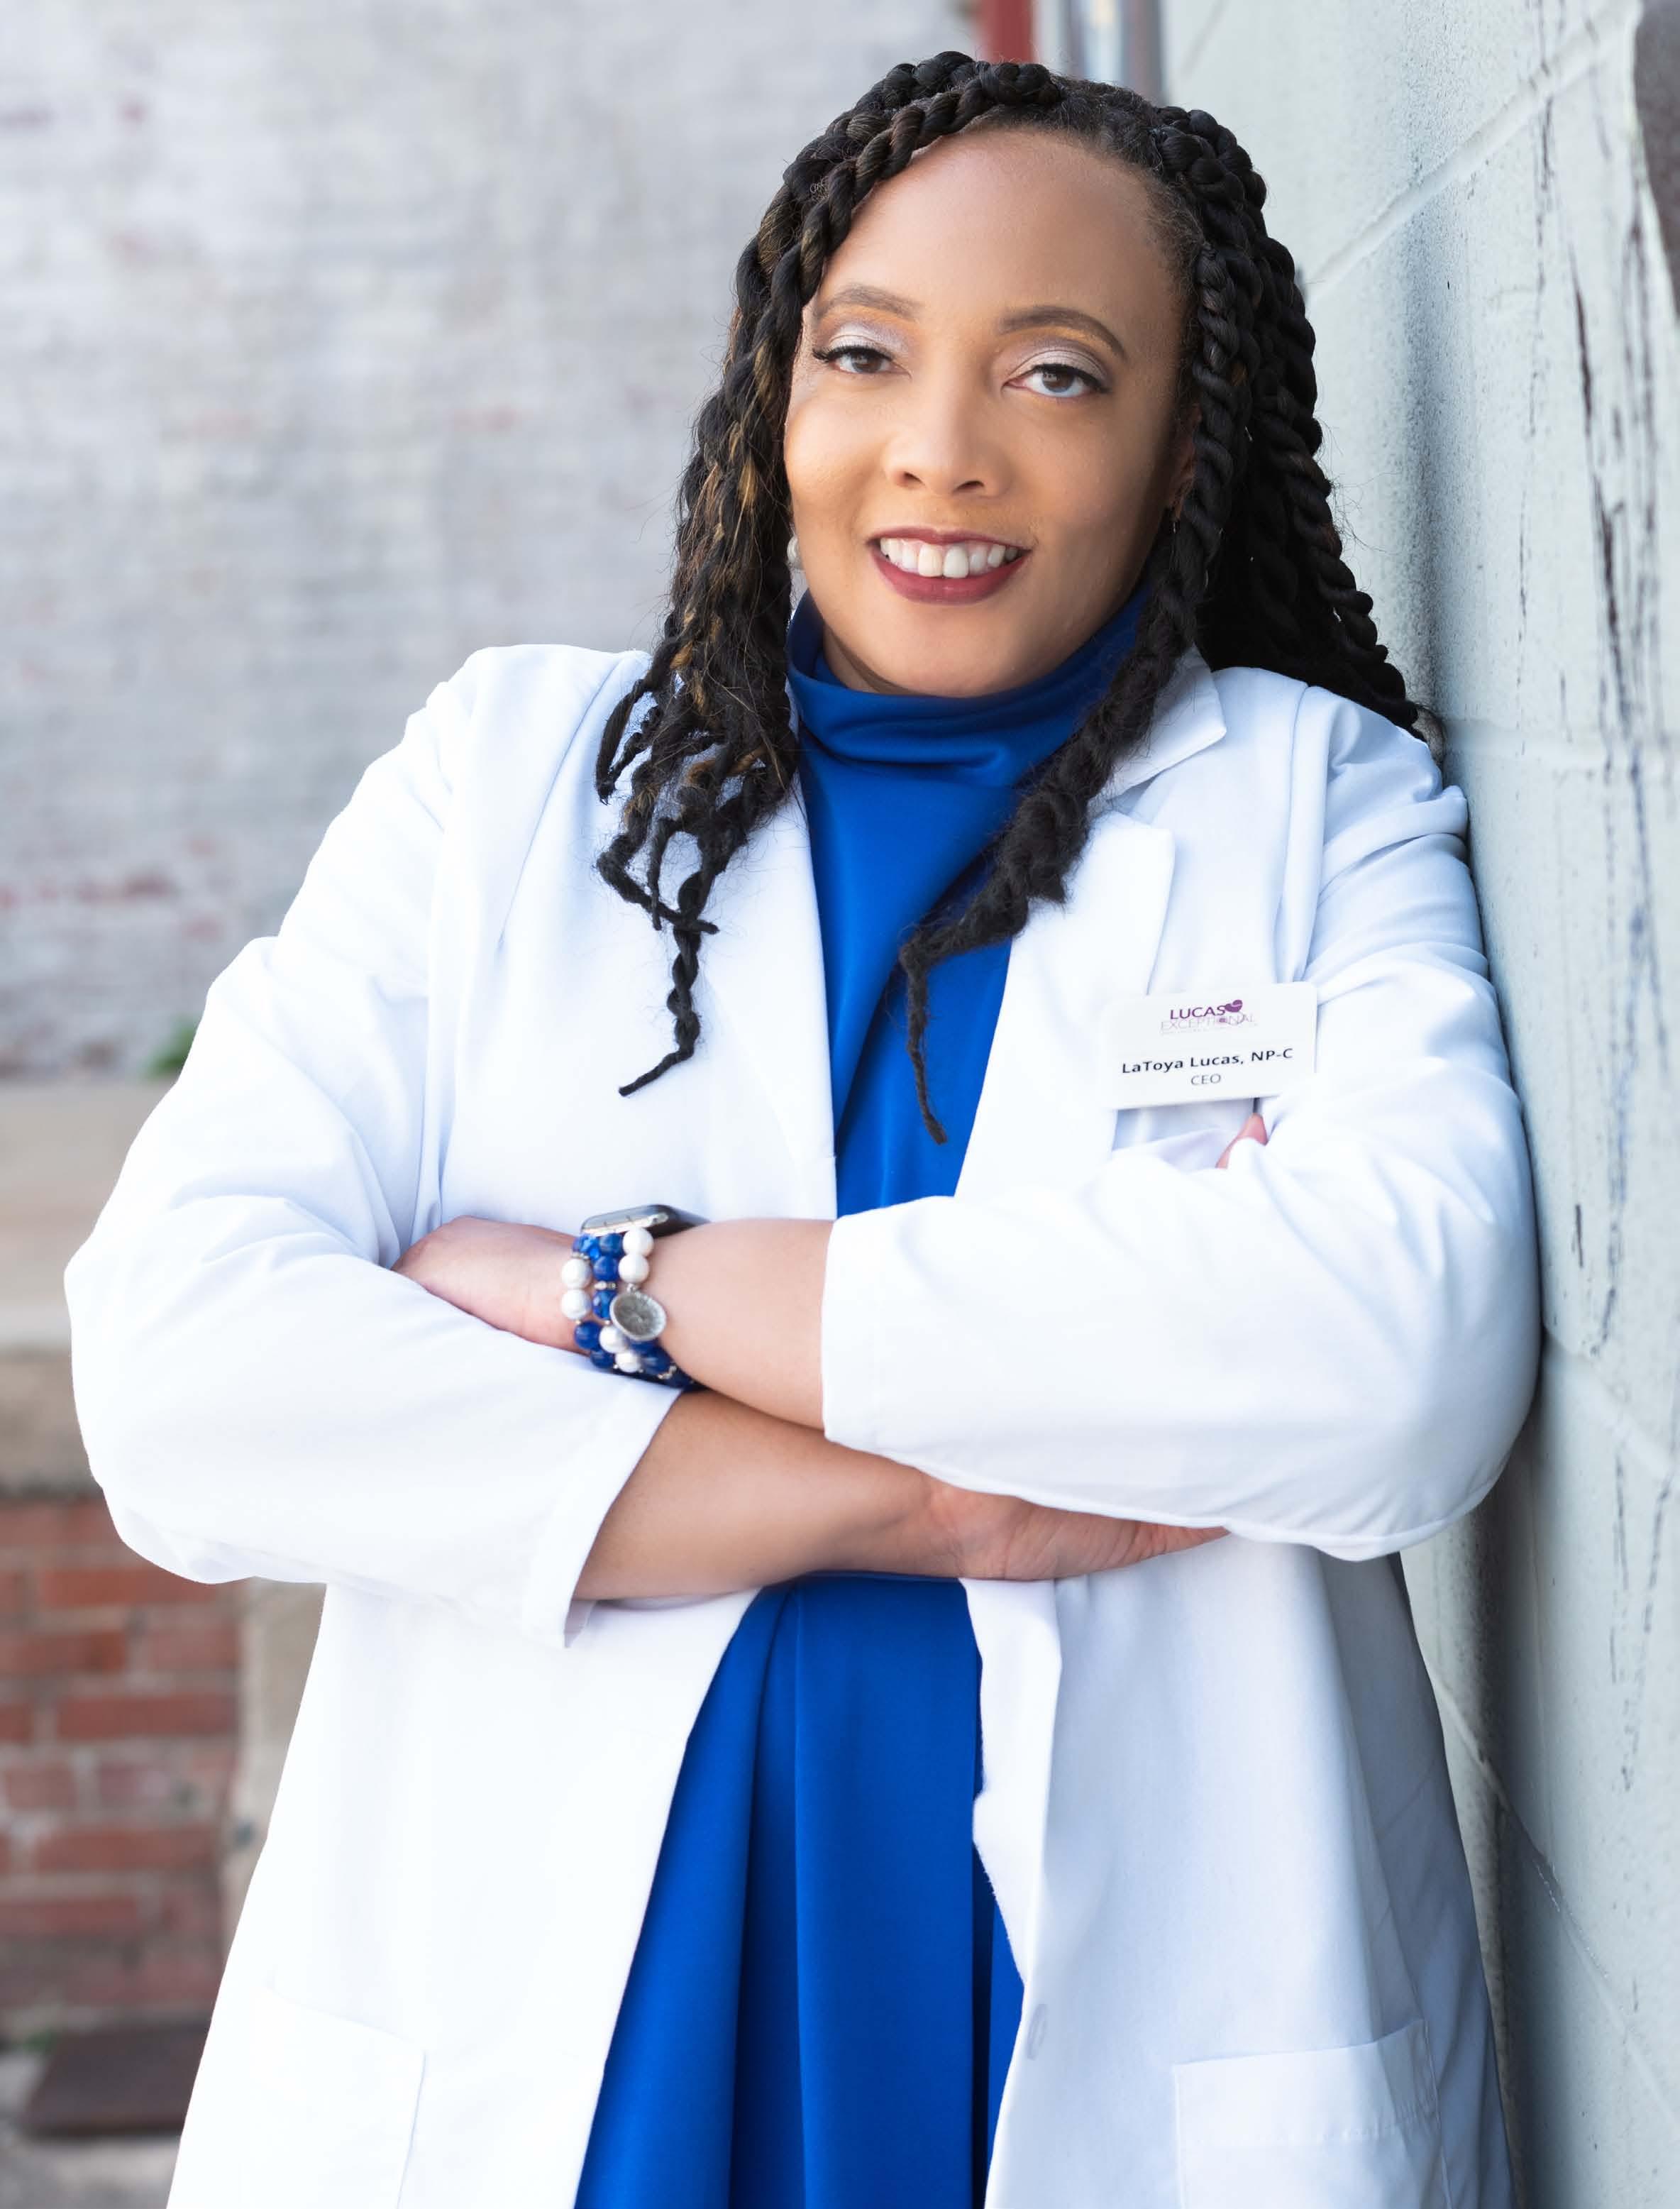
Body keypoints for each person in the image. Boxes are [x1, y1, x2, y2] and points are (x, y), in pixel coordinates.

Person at [65, 50, 1540, 2209]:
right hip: (576, 2061)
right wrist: (928, 1501)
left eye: (1057, 372)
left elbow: (1395, 1359)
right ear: (776, 393)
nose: (940, 446)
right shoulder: (503, 784)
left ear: (1181, 447)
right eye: (866, 353)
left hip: (1114, 2041)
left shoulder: (1315, 806)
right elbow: (183, 1372)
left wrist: (633, 1293)